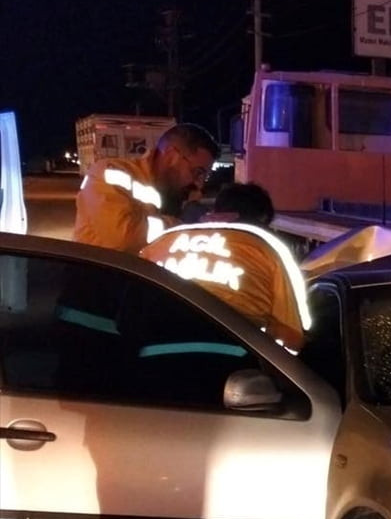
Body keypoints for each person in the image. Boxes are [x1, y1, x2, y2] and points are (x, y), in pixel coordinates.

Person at [139, 182, 310, 352]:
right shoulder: (268, 247)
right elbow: (293, 339)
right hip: (227, 355)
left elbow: (131, 297)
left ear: (215, 211)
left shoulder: (162, 240)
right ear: (261, 220)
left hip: (151, 347)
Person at [73, 123, 219, 254]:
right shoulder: (108, 172)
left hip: (140, 278)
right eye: (197, 172)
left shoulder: (174, 190)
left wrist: (203, 218)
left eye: (204, 176)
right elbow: (124, 238)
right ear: (171, 155)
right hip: (97, 276)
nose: (199, 184)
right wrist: (181, 224)